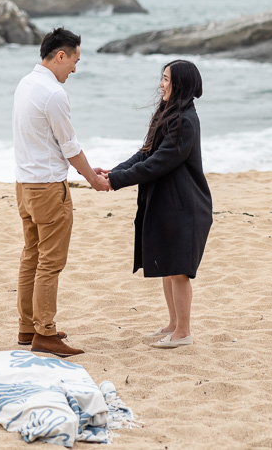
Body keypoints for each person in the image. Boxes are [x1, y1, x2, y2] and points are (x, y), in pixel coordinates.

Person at [12, 28, 110, 358]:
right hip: (48, 188)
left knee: (32, 256)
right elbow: (69, 146)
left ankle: (28, 327)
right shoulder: (53, 94)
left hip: (24, 185)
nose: (75, 70)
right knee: (50, 263)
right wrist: (93, 179)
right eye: (74, 61)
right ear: (60, 56)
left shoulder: (26, 84)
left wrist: (86, 171)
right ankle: (45, 333)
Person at [101, 60, 212, 349]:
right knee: (167, 265)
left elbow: (157, 165)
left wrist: (115, 181)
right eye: (161, 78)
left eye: (166, 79)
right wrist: (112, 172)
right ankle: (173, 324)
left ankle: (184, 332)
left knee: (179, 271)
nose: (161, 84)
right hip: (167, 202)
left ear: (181, 84)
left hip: (185, 205)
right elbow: (145, 153)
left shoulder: (185, 120)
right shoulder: (168, 113)